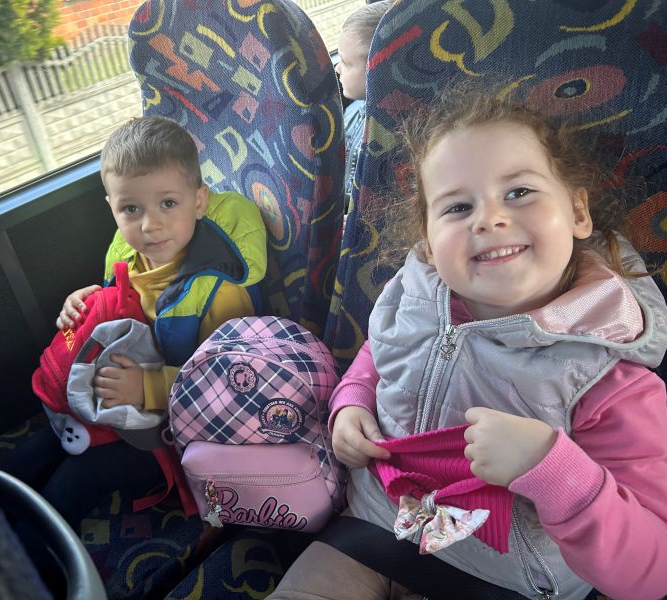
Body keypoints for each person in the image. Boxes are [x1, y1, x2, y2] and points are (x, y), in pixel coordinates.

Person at [270, 88, 667, 600]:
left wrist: (550, 468)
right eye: (458, 206)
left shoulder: (608, 378)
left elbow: (653, 571)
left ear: (577, 212)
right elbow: (381, 351)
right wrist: (353, 401)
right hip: (376, 524)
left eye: (518, 192)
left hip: (506, 577)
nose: (488, 219)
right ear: (429, 242)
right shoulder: (413, 297)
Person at [0, 116, 267, 575]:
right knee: (44, 444)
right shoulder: (127, 256)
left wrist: (147, 387)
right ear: (112, 208)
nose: (150, 224)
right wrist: (81, 304)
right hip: (116, 404)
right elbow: (116, 310)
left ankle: (18, 567)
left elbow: (230, 386)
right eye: (131, 209)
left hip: (175, 434)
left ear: (199, 201)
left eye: (168, 203)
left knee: (84, 471)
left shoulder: (217, 292)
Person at [335, 0, 391, 213]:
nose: (337, 69)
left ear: (377, 68)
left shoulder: (392, 132)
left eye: (346, 63)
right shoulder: (352, 111)